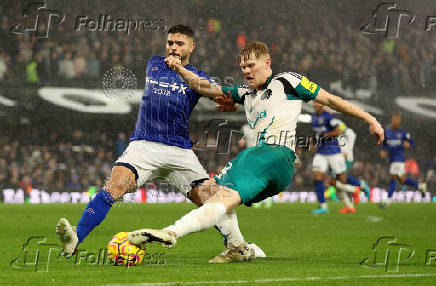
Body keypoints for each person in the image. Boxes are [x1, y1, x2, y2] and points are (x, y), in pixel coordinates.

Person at [127, 41, 384, 262]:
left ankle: (172, 232)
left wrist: (370, 119)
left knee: (219, 191)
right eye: (242, 67)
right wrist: (180, 68)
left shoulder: (288, 81)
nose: (246, 71)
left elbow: (330, 100)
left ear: (267, 62)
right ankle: (237, 247)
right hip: (269, 165)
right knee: (214, 192)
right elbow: (207, 88)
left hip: (274, 155)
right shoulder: (246, 94)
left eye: (251, 66)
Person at [55, 25, 263, 260]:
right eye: (170, 43)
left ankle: (238, 246)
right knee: (114, 186)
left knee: (215, 199)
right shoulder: (154, 64)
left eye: (179, 43)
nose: (173, 47)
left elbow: (215, 93)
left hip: (179, 151)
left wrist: (221, 96)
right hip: (144, 144)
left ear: (191, 47)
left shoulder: (197, 76)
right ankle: (75, 238)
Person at [310, 103, 361, 214]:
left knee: (341, 179)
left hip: (334, 153)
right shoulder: (313, 117)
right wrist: (313, 142)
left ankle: (356, 188)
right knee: (317, 176)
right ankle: (323, 206)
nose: (315, 104)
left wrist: (325, 135)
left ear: (322, 104)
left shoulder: (329, 117)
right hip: (321, 153)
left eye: (317, 102)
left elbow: (338, 131)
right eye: (314, 102)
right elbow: (317, 134)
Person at [379, 112, 426, 207]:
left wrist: (409, 144)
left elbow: (412, 143)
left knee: (394, 177)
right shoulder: (387, 132)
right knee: (402, 180)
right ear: (391, 120)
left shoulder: (403, 133)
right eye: (394, 119)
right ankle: (420, 186)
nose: (395, 121)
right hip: (392, 160)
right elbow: (384, 143)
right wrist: (383, 150)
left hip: (399, 159)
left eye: (397, 120)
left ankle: (388, 201)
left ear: (400, 121)